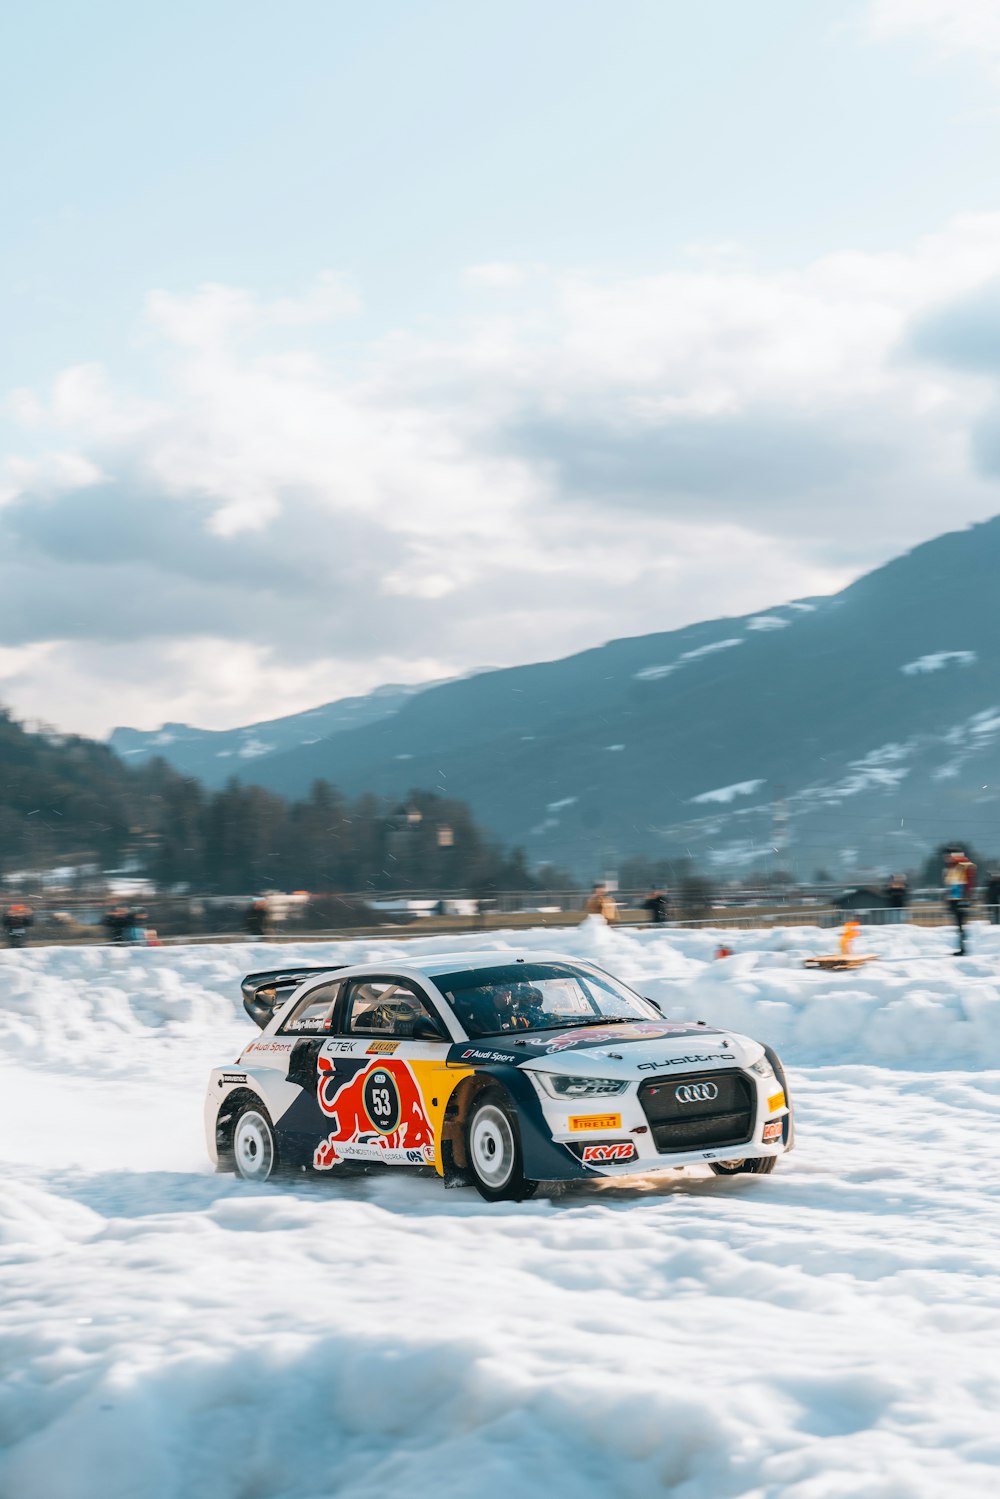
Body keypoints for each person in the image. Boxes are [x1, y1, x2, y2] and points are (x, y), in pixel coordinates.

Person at [943, 850, 975, 956]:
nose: (946, 859)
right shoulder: (955, 868)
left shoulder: (959, 868)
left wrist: (964, 900)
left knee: (960, 926)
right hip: (957, 901)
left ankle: (963, 948)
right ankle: (963, 948)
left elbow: (960, 887)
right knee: (960, 926)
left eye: (948, 857)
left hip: (959, 901)